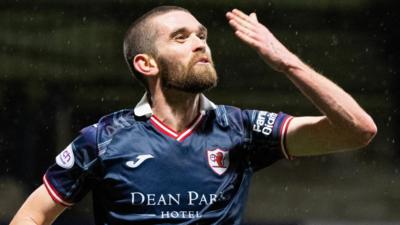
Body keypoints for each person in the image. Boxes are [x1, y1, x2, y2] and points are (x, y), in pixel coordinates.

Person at [10, 5, 377, 225]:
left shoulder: (242, 129)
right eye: (181, 37)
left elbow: (357, 131)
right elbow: (32, 216)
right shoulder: (104, 139)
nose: (201, 43)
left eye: (202, 35)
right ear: (146, 63)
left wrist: (288, 64)